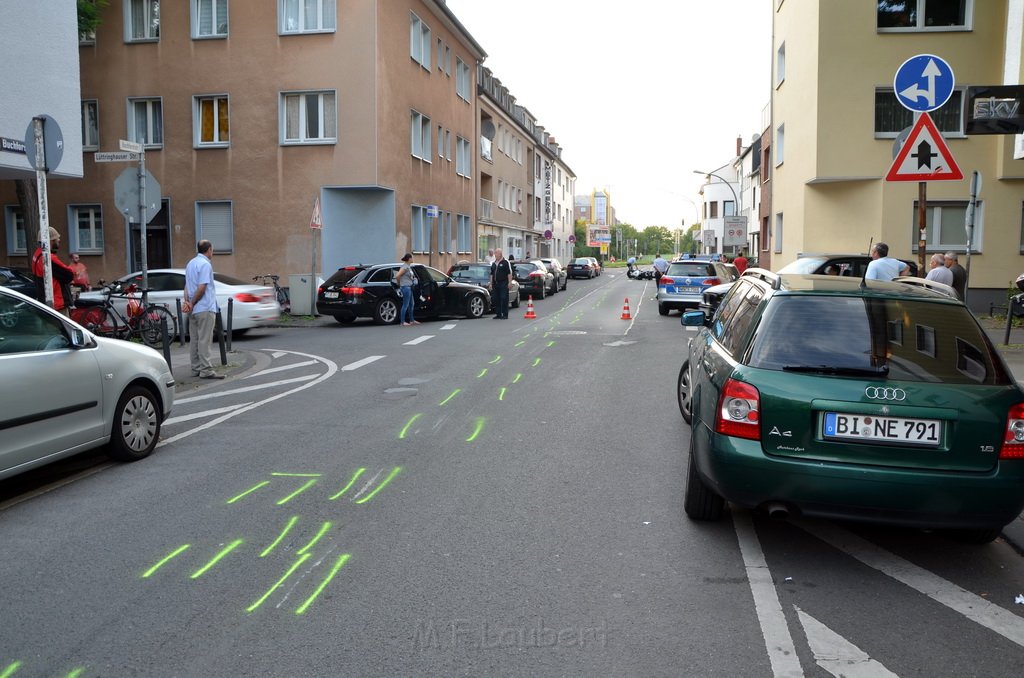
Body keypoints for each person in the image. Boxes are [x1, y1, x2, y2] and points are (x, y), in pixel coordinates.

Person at [182, 240, 224, 379]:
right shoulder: (205, 265)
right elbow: (202, 287)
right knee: (204, 339)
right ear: (209, 249)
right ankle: (206, 370)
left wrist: (188, 302)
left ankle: (196, 368)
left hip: (193, 309)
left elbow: (187, 286)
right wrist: (193, 303)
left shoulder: (190, 263)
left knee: (194, 339)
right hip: (204, 307)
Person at [31, 227, 75, 315]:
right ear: (50, 241)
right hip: (57, 305)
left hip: (46, 302)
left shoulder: (36, 255)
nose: (59, 240)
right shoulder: (48, 258)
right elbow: (69, 275)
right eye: (56, 238)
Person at [395, 253, 420, 326]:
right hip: (405, 287)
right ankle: (402, 322)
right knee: (405, 304)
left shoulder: (408, 267)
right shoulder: (405, 267)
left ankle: (412, 320)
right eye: (412, 258)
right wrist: (399, 283)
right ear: (409, 259)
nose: (413, 259)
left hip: (409, 287)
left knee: (411, 304)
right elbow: (397, 275)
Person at [490, 247, 513, 319]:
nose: (495, 254)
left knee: (504, 298)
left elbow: (509, 273)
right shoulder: (494, 263)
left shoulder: (505, 262)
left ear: (500, 254)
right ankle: (498, 314)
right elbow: (491, 274)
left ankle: (505, 314)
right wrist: (490, 283)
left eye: (496, 253)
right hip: (495, 284)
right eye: (495, 253)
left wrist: (509, 282)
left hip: (503, 283)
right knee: (496, 298)